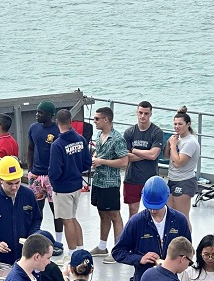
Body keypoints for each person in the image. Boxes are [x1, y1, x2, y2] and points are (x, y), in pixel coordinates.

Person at [48, 108, 92, 261]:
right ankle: (80, 248)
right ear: (71, 121)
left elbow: (54, 171)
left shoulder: (57, 145)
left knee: (67, 220)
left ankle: (72, 253)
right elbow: (87, 163)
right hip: (76, 185)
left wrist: (53, 181)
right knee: (72, 218)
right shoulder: (81, 139)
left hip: (62, 188)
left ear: (57, 122)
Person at [89, 106, 128, 263]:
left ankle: (118, 250)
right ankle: (102, 246)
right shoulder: (99, 135)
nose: (94, 121)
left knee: (114, 215)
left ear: (106, 119)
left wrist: (102, 161)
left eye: (97, 118)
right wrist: (96, 157)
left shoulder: (117, 139)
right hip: (98, 181)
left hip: (110, 183)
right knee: (102, 213)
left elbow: (124, 161)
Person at [27, 101, 64, 255]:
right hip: (36, 175)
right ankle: (36, 240)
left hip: (52, 177)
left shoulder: (57, 130)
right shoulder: (33, 128)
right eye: (37, 112)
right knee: (37, 210)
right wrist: (30, 170)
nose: (37, 115)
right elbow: (30, 148)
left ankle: (59, 242)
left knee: (56, 211)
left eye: (40, 113)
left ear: (50, 115)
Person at [123, 101, 164, 217]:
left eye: (146, 113)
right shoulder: (129, 132)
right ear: (136, 113)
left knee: (154, 211)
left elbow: (153, 155)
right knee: (133, 211)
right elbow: (126, 157)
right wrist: (146, 154)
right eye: (140, 113)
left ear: (150, 114)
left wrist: (135, 151)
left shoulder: (157, 132)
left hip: (150, 179)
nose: (143, 116)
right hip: (132, 178)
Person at [163, 106, 200, 230]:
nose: (177, 127)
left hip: (184, 180)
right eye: (175, 124)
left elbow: (178, 162)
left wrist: (173, 145)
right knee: (170, 213)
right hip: (172, 178)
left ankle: (187, 244)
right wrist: (169, 144)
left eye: (180, 124)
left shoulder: (190, 142)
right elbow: (167, 156)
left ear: (188, 124)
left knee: (182, 217)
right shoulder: (177, 139)